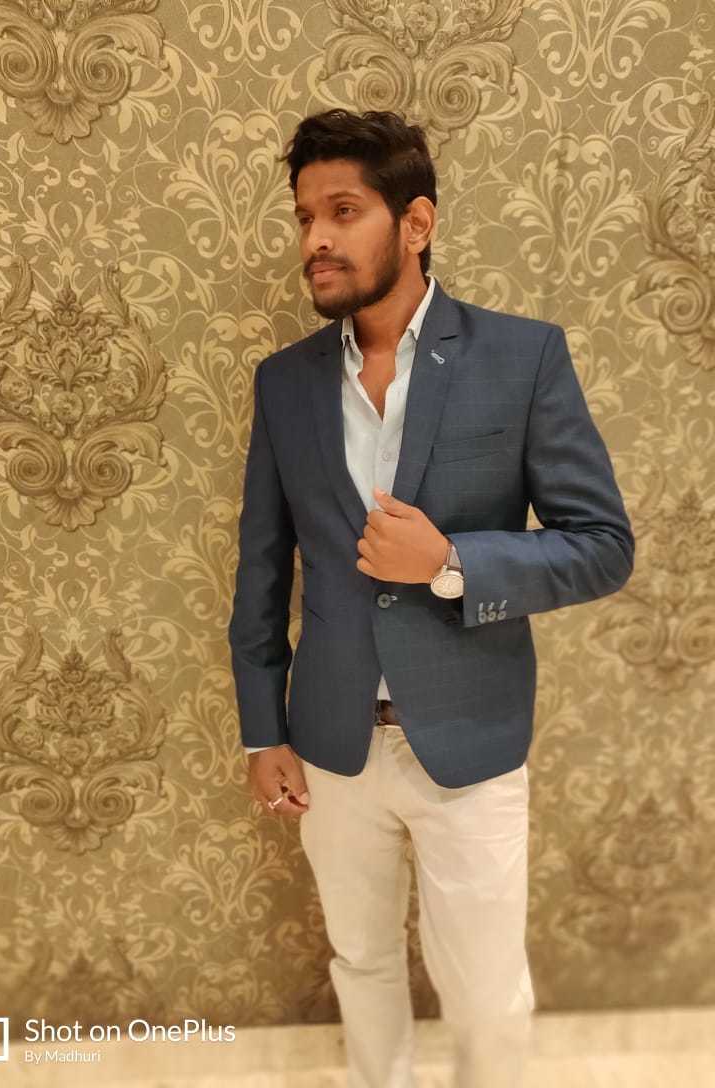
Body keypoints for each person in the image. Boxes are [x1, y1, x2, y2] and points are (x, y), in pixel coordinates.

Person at [227, 108, 635, 1088]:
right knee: (361, 963)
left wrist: (450, 559)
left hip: (469, 740)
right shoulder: (284, 382)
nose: (316, 239)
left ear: (416, 223)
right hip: (332, 744)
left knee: (484, 990)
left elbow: (603, 546)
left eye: (343, 211)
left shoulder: (521, 357)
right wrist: (261, 728)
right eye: (304, 217)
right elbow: (262, 566)